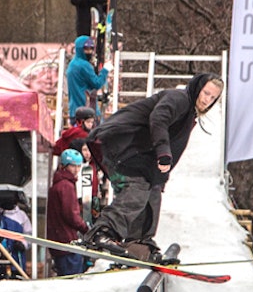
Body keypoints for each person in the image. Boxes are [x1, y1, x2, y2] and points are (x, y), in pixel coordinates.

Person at [85, 74, 224, 262]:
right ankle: (102, 232)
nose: (207, 100)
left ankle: (139, 245)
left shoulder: (189, 114)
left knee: (153, 194)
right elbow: (158, 119)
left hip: (137, 153)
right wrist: (163, 152)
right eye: (206, 93)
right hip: (122, 142)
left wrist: (160, 177)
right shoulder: (179, 99)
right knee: (138, 188)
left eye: (213, 98)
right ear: (198, 88)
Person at [47, 149, 91, 276]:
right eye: (73, 166)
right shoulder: (66, 186)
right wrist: (86, 229)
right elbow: (71, 215)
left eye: (78, 166)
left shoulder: (58, 184)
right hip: (67, 241)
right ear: (64, 166)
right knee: (72, 281)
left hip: (58, 241)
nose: (76, 169)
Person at [66, 35, 109, 117]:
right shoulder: (84, 65)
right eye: (86, 49)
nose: (89, 52)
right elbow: (97, 83)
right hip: (87, 111)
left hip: (74, 111)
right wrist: (105, 70)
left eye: (91, 48)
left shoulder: (72, 64)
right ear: (80, 49)